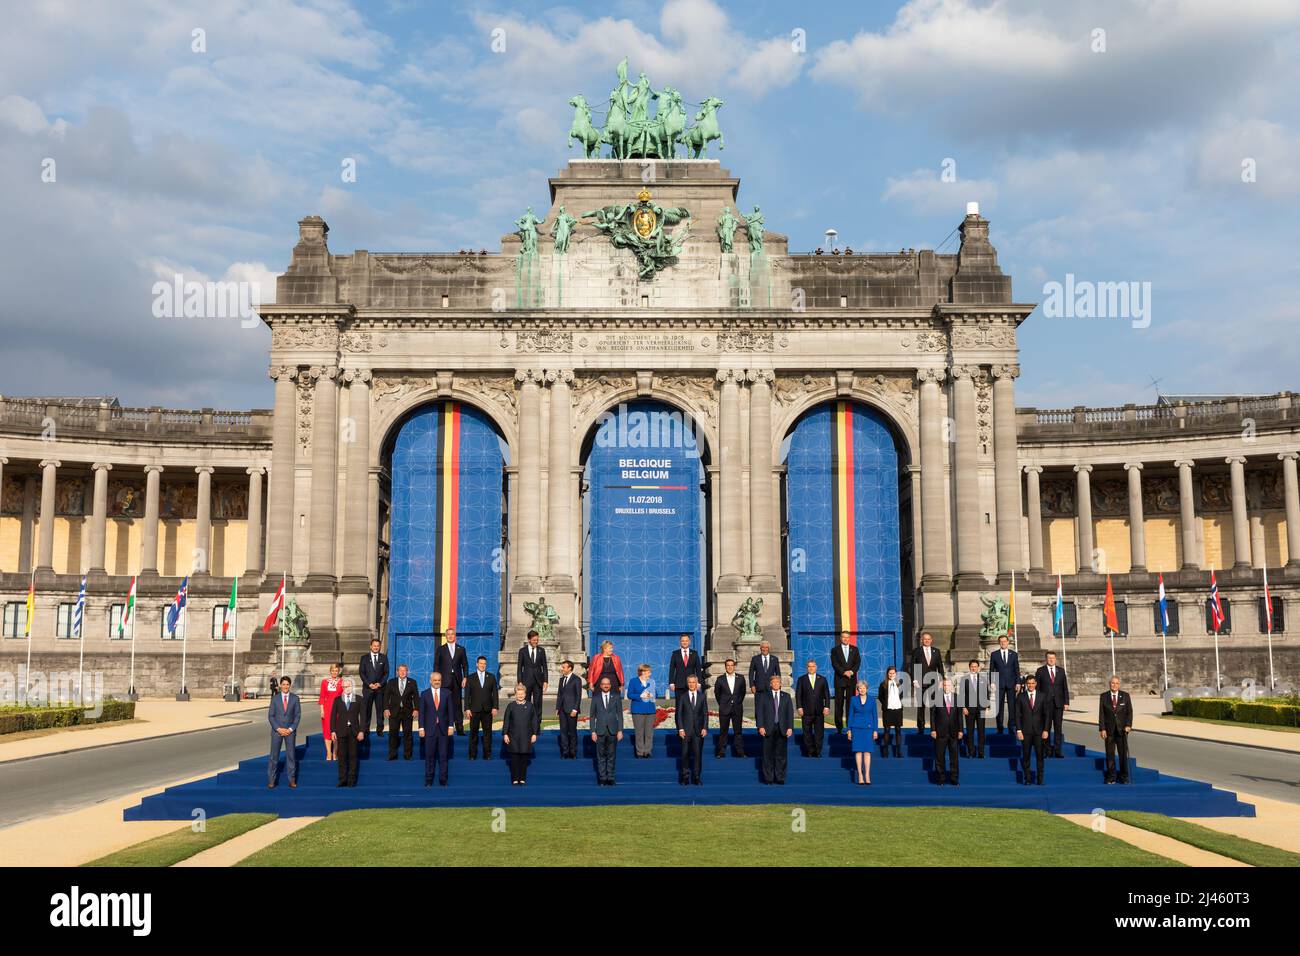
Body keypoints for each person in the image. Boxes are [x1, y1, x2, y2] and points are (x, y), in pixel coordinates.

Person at [418, 671, 455, 786]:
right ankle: (429, 780)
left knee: (443, 756)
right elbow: (422, 713)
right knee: (429, 756)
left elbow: (450, 712)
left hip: (443, 730)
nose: (437, 682)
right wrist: (421, 728)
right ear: (430, 681)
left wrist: (450, 726)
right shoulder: (424, 694)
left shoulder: (447, 693)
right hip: (429, 730)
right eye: (435, 680)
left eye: (438, 680)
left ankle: (443, 780)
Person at [755, 674, 794, 785]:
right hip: (768, 728)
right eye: (774, 682)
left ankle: (780, 777)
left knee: (781, 755)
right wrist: (760, 726)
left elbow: (789, 713)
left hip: (782, 728)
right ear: (771, 684)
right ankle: (769, 778)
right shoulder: (764, 696)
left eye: (778, 682)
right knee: (767, 755)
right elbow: (760, 712)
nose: (776, 684)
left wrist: (790, 727)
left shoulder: (786, 696)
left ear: (780, 684)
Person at [1098, 674, 1134, 784]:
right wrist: (1102, 728)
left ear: (1119, 685)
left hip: (1122, 730)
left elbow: (1129, 712)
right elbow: (1102, 714)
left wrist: (1128, 725)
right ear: (1109, 684)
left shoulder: (1125, 696)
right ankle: (1111, 776)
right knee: (1110, 754)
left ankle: (1124, 776)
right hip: (1109, 730)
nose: (1114, 685)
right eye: (1112, 683)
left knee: (1123, 754)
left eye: (1117, 683)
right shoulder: (1104, 696)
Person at [330, 678, 365, 787]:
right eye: (344, 687)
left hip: (354, 731)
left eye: (348, 686)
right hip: (341, 731)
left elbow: (363, 717)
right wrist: (333, 731)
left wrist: (362, 731)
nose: (346, 688)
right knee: (342, 756)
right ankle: (342, 780)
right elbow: (332, 717)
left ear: (352, 687)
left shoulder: (358, 699)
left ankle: (351, 780)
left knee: (353, 756)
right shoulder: (337, 700)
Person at [589, 675, 624, 786]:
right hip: (600, 730)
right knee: (601, 756)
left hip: (613, 730)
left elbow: (620, 714)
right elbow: (592, 716)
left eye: (607, 684)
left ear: (610, 685)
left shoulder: (616, 697)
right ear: (600, 686)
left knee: (611, 755)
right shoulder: (595, 698)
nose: (606, 686)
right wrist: (593, 731)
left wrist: (620, 730)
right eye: (604, 684)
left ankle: (611, 777)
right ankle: (602, 778)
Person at [434, 628, 470, 735]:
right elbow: (436, 665)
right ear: (446, 636)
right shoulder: (440, 649)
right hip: (444, 681)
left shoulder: (461, 649)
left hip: (457, 681)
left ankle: (459, 728)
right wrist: (436, 680)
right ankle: (444, 727)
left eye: (452, 634)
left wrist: (465, 677)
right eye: (448, 634)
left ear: (455, 636)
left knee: (457, 705)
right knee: (443, 705)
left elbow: (465, 665)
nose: (450, 636)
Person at [267, 676, 300, 789]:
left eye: (287, 684)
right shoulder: (275, 699)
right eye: (284, 684)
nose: (285, 686)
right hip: (277, 732)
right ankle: (272, 780)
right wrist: (278, 728)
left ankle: (292, 780)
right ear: (280, 685)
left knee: (291, 756)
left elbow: (297, 716)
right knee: (274, 757)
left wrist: (290, 729)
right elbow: (271, 716)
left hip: (290, 732)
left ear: (290, 686)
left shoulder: (295, 699)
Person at [1035, 651, 1070, 757]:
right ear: (1046, 659)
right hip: (1045, 704)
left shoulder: (1061, 671)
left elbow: (1065, 688)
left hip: (1058, 704)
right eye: (1049, 658)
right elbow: (1038, 689)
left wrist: (1066, 702)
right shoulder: (1040, 671)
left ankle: (1058, 751)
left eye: (1053, 658)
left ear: (1055, 659)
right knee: (1046, 727)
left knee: (1058, 727)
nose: (1051, 660)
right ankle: (1047, 750)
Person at [1016, 675, 1049, 785]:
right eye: (1028, 683)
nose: (1030, 685)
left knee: (1040, 756)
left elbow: (1046, 715)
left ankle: (1040, 779)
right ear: (1026, 684)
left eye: (1032, 683)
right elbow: (1017, 715)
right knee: (1026, 756)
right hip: (1025, 731)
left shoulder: (1042, 696)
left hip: (1039, 731)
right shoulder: (1020, 696)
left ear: (1036, 684)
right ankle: (1027, 779)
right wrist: (1019, 730)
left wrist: (1046, 730)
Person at [502, 684, 538, 784]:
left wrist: (534, 733)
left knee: (523, 759)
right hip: (513, 736)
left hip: (526, 736)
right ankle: (514, 778)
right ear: (515, 694)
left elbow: (534, 721)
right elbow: (506, 721)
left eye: (522, 694)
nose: (520, 696)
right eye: (518, 694)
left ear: (525, 694)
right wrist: (505, 734)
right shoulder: (511, 706)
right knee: (514, 759)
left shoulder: (530, 706)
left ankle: (522, 778)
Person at [464, 655, 499, 760]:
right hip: (474, 710)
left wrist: (495, 707)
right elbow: (467, 695)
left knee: (487, 733)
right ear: (477, 664)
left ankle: (487, 754)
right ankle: (472, 755)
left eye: (484, 664)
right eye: (481, 663)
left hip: (488, 710)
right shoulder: (470, 678)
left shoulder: (491, 677)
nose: (482, 665)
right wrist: (467, 708)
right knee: (473, 733)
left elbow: (495, 694)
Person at [930, 677, 963, 786]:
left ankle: (954, 779)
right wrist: (933, 730)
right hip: (940, 732)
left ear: (952, 687)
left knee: (954, 757)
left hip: (954, 732)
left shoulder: (957, 698)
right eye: (944, 685)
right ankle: (941, 779)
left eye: (948, 685)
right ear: (942, 686)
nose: (946, 687)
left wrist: (961, 730)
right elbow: (932, 715)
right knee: (940, 757)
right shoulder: (936, 698)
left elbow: (959, 716)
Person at [794, 659, 831, 757]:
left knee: (819, 732)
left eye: (813, 666)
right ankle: (810, 751)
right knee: (807, 732)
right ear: (807, 668)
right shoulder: (801, 679)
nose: (811, 668)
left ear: (816, 667)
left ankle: (818, 751)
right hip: (806, 711)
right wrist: (799, 707)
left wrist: (827, 706)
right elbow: (798, 695)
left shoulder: (822, 679)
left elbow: (827, 694)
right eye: (809, 666)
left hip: (819, 711)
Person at [676, 674, 708, 785]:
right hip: (685, 731)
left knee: (698, 755)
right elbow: (679, 714)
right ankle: (685, 777)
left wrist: (705, 727)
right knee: (685, 754)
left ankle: (697, 777)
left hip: (698, 731)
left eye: (693, 682)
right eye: (689, 682)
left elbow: (705, 713)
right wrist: (680, 729)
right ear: (687, 683)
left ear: (697, 683)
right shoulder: (683, 697)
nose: (691, 684)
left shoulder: (702, 696)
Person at [383, 664, 419, 761]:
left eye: (405, 670)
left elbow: (416, 697)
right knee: (393, 733)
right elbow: (386, 696)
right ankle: (392, 754)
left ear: (407, 672)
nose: (403, 672)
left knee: (408, 734)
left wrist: (416, 709)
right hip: (394, 712)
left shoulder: (412, 682)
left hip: (408, 712)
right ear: (397, 672)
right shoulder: (391, 682)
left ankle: (407, 755)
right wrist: (386, 708)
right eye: (401, 670)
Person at [911, 631, 945, 734]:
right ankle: (920, 728)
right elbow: (912, 666)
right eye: (925, 639)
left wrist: (942, 680)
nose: (926, 641)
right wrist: (914, 680)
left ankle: (934, 728)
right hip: (920, 683)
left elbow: (940, 666)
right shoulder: (917, 651)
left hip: (934, 683)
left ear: (931, 640)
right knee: (921, 706)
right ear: (922, 640)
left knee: (933, 707)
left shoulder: (936, 651)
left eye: (928, 639)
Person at [846, 680, 877, 785]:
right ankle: (860, 774)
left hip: (868, 728)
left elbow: (875, 716)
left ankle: (867, 774)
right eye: (860, 688)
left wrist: (875, 730)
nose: (862, 689)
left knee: (867, 752)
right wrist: (849, 730)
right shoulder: (853, 700)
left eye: (864, 687)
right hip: (856, 728)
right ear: (857, 689)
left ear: (867, 689)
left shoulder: (872, 700)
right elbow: (850, 715)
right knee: (858, 752)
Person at [713, 658, 746, 757]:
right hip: (724, 708)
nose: (730, 667)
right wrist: (723, 704)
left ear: (734, 666)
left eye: (732, 665)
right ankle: (721, 752)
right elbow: (717, 694)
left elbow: (742, 692)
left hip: (737, 708)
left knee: (738, 731)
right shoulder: (720, 679)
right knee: (723, 731)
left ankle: (740, 752)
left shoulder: (740, 678)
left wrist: (737, 702)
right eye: (728, 665)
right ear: (725, 667)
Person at [517, 630, 548, 734]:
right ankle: (525, 727)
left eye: (537, 640)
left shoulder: (541, 651)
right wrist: (520, 682)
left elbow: (545, 667)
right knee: (526, 704)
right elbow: (519, 668)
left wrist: (545, 681)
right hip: (526, 682)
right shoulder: (522, 651)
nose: (536, 641)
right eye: (534, 640)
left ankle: (537, 728)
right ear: (529, 639)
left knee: (538, 705)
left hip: (538, 682)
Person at [988, 634, 1021, 732]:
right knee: (999, 706)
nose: (1003, 643)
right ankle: (1000, 726)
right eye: (1001, 641)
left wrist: (1018, 682)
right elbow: (991, 669)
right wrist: (992, 682)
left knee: (1012, 706)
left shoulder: (1013, 654)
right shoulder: (994, 654)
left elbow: (1016, 669)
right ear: (999, 643)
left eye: (1005, 641)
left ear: (1008, 642)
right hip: (999, 684)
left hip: (1011, 683)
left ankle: (1011, 726)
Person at [830, 631, 861, 733]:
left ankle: (849, 725)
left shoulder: (855, 650)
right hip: (839, 680)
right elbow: (835, 664)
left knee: (850, 704)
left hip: (851, 680)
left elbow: (857, 663)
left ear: (849, 638)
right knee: (839, 704)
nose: (845, 639)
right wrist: (844, 672)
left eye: (847, 637)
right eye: (843, 637)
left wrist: (851, 671)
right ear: (840, 638)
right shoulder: (835, 650)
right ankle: (839, 727)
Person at [359, 638, 389, 736]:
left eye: (378, 646)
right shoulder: (364, 658)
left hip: (380, 689)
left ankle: (379, 730)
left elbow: (386, 673)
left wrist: (380, 684)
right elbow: (362, 673)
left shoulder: (384, 658)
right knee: (367, 710)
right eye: (374, 645)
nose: (376, 647)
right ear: (370, 646)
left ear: (380, 647)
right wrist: (369, 684)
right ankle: (366, 729)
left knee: (380, 710)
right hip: (368, 689)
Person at [959, 659, 988, 759]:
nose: (974, 668)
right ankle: (971, 752)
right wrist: (963, 707)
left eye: (975, 666)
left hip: (981, 709)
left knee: (981, 731)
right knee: (970, 731)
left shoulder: (983, 679)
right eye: (972, 666)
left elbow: (986, 693)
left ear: (978, 667)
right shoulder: (964, 679)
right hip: (969, 709)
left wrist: (986, 706)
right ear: (969, 667)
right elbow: (961, 694)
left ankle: (981, 752)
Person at [627, 663, 657, 758]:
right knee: (639, 732)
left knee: (649, 732)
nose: (650, 673)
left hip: (650, 710)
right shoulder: (633, 681)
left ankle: (647, 752)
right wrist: (640, 695)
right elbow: (629, 695)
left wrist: (653, 695)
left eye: (649, 671)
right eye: (648, 671)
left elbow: (656, 694)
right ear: (642, 672)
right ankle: (640, 752)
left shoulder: (651, 681)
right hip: (638, 709)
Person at [555, 659, 583, 759]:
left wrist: (575, 709)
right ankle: (565, 752)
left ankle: (573, 752)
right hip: (562, 710)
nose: (562, 669)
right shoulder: (561, 679)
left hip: (572, 710)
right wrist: (557, 707)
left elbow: (578, 695)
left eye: (563, 667)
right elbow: (559, 695)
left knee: (572, 732)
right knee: (563, 731)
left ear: (569, 668)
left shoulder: (576, 679)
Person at [877, 666, 905, 757]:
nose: (891, 675)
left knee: (898, 730)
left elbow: (902, 696)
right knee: (887, 730)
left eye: (893, 673)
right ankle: (885, 750)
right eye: (890, 673)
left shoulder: (900, 684)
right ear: (887, 674)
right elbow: (880, 696)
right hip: (888, 710)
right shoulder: (883, 684)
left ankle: (898, 751)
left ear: (896, 674)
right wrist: (886, 703)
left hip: (897, 710)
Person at [319, 663, 344, 761]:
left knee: (337, 731)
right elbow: (322, 696)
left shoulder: (342, 682)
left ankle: (335, 753)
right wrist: (322, 710)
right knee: (327, 731)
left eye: (336, 671)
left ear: (338, 672)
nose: (334, 672)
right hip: (327, 708)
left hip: (338, 709)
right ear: (330, 671)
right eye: (333, 671)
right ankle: (328, 753)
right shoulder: (324, 682)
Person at [667, 633, 702, 698]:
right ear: (680, 642)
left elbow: (698, 669)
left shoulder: (694, 653)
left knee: (691, 705)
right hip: (679, 685)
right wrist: (671, 683)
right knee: (679, 705)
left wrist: (699, 682)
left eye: (686, 641)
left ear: (689, 642)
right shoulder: (675, 654)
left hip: (692, 684)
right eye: (683, 641)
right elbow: (671, 669)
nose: (684, 642)